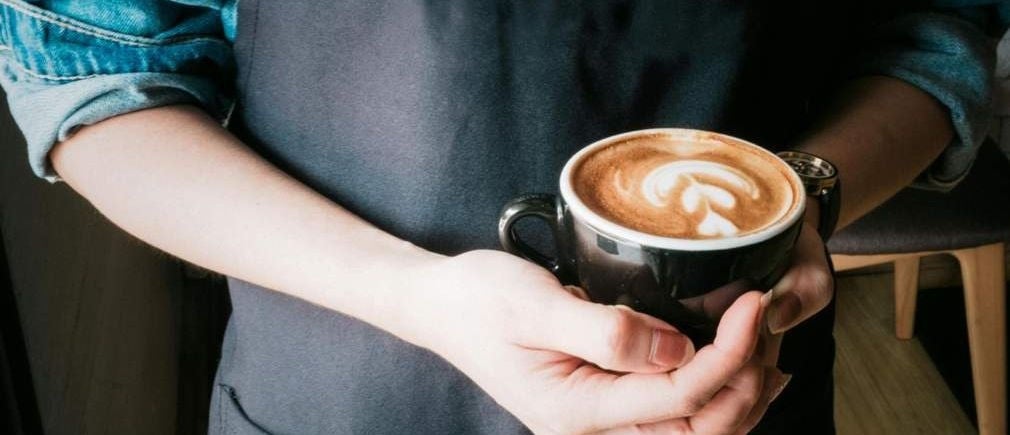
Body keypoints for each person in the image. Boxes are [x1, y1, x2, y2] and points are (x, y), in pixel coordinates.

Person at [0, 1, 998, 433]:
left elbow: (932, 31)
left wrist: (805, 199)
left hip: (734, 400)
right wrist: (414, 294)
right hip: (339, 398)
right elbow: (102, 83)